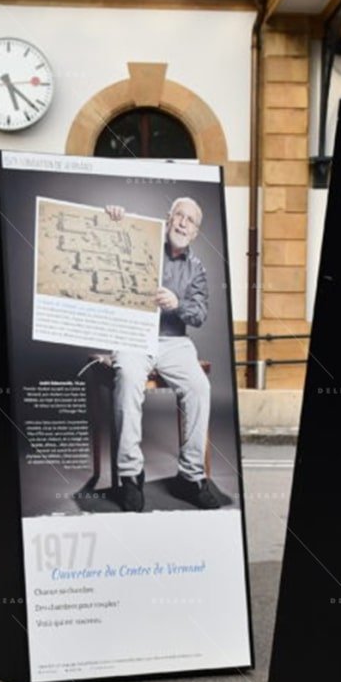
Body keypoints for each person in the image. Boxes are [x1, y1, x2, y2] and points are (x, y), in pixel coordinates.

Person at [106, 197, 215, 511]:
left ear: (195, 232)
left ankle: (191, 477)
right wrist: (116, 219)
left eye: (189, 220)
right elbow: (111, 246)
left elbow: (199, 315)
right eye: (178, 216)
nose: (182, 223)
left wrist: (177, 303)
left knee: (199, 387)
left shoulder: (197, 269)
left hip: (174, 341)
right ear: (168, 219)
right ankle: (130, 475)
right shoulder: (142, 241)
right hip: (134, 335)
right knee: (127, 376)